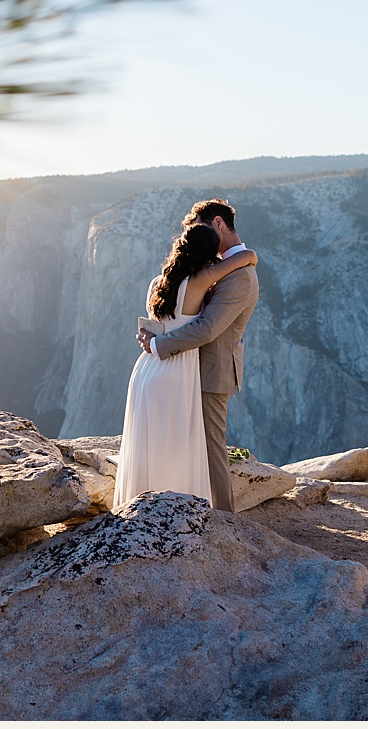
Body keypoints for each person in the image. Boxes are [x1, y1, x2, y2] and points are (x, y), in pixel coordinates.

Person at [116, 212, 257, 511]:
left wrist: (154, 343)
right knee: (202, 449)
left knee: (165, 441)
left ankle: (155, 506)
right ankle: (217, 517)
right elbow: (204, 326)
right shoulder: (208, 277)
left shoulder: (161, 281)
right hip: (180, 367)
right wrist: (250, 255)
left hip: (157, 368)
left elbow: (199, 327)